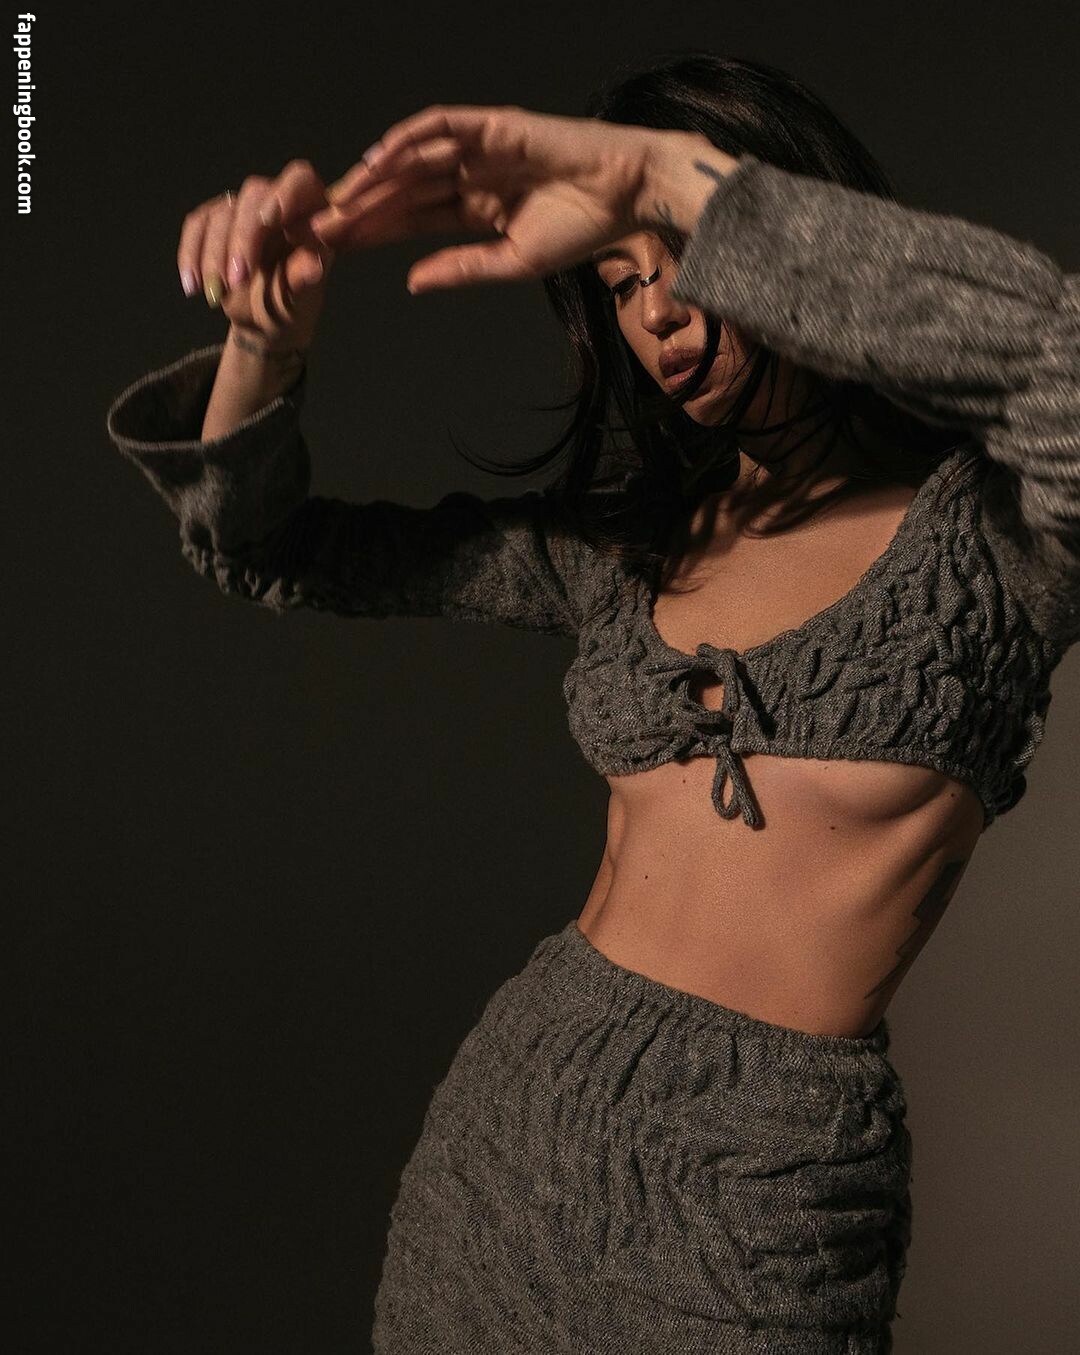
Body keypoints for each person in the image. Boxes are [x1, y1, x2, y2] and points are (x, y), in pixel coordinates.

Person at [105, 49, 1080, 1355]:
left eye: (686, 254)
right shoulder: (626, 545)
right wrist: (262, 341)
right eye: (620, 281)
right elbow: (265, 548)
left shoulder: (1003, 539)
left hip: (761, 1172)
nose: (657, 314)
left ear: (796, 228)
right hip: (517, 1131)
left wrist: (664, 176)